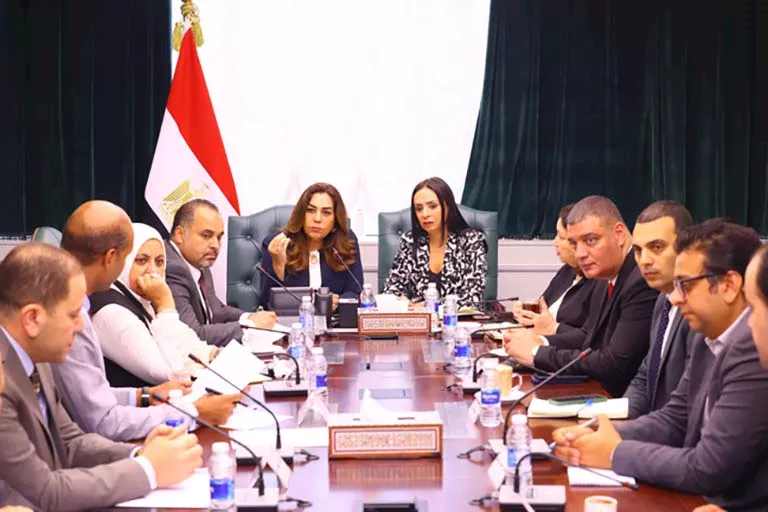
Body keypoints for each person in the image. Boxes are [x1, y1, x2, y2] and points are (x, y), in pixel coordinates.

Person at [552, 219, 768, 511]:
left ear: (729, 285)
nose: (675, 298)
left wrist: (614, 452)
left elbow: (709, 467)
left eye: (685, 285)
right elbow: (676, 417)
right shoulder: (707, 334)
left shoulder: (753, 347)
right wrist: (603, 435)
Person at [0, 243, 203, 511]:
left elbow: (71, 442)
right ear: (32, 319)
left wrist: (140, 453)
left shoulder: (37, 353)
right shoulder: (3, 380)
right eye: (73, 314)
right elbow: (47, 492)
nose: (81, 326)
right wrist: (148, 469)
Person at [52, 201, 239, 442]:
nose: (153, 272)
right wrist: (193, 413)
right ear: (112, 258)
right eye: (136, 259)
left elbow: (94, 395)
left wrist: (144, 395)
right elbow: (102, 420)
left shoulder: (104, 301)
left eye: (159, 262)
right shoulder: (83, 315)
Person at [504, 195, 658, 397]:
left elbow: (614, 363)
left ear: (619, 234)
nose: (580, 254)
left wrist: (536, 353)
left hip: (619, 400)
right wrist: (540, 341)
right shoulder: (603, 276)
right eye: (574, 244)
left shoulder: (640, 281)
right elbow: (588, 337)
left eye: (590, 240)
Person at [90, 223, 217, 387]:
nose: (153, 271)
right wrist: (165, 304)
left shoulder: (142, 299)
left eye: (159, 262)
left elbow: (185, 347)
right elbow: (169, 374)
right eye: (141, 261)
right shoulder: (112, 313)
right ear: (122, 262)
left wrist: (212, 355)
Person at [166, 199, 277, 346]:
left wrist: (250, 317)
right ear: (180, 234)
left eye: (219, 237)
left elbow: (216, 310)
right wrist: (250, 325)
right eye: (206, 235)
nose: (215, 245)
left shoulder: (199, 261)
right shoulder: (172, 269)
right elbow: (193, 335)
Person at [622, 201, 694, 418]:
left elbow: (685, 407)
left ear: (687, 247)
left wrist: (627, 432)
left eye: (657, 247)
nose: (644, 261)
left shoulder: (697, 310)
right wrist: (613, 417)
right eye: (637, 250)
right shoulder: (663, 299)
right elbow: (645, 376)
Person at [382, 177, 487, 307]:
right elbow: (391, 291)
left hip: (458, 318)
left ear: (448, 206)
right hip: (418, 318)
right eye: (419, 209)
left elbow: (473, 297)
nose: (425, 214)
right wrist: (402, 303)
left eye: (432, 206)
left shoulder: (471, 241)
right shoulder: (410, 241)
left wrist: (428, 305)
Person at [260, 182, 363, 310]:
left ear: (335, 220)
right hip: (292, 321)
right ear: (301, 214)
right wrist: (278, 267)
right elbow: (266, 303)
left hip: (335, 320)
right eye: (310, 210)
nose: (317, 219)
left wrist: (338, 302)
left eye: (326, 213)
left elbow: (355, 293)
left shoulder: (346, 241)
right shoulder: (277, 245)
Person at [513, 203, 596, 335]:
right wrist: (524, 313)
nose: (555, 242)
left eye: (561, 237)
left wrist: (553, 328)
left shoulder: (599, 282)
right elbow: (543, 307)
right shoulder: (567, 271)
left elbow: (590, 337)